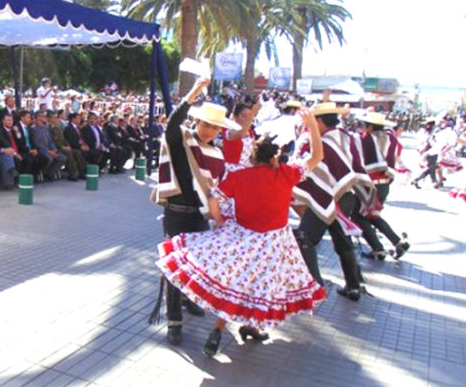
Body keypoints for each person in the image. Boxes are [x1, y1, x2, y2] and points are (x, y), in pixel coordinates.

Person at [157, 110, 327, 358]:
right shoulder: (286, 173)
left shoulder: (240, 176)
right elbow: (317, 156)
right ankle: (245, 327)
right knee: (260, 288)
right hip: (274, 243)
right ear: (275, 157)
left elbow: (215, 198)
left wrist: (220, 219)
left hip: (243, 239)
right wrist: (312, 125)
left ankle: (223, 329)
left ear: (253, 156)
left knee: (235, 284)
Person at [148, 78, 237, 346]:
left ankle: (189, 300)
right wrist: (193, 93)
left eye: (215, 126)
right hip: (176, 213)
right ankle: (174, 322)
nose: (210, 130)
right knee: (174, 269)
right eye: (206, 124)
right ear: (197, 122)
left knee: (197, 266)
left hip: (200, 216)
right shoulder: (183, 141)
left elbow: (218, 190)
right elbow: (173, 125)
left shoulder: (218, 154)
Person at [292, 102, 371, 302]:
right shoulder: (346, 136)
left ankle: (315, 285)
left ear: (318, 120)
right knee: (343, 242)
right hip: (345, 194)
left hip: (327, 197)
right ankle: (353, 286)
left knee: (304, 237)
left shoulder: (319, 141)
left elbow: (307, 166)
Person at [353, 112, 409, 260]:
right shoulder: (391, 139)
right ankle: (397, 242)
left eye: (364, 125)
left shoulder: (364, 139)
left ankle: (378, 248)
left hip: (369, 184)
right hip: (384, 184)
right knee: (372, 215)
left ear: (370, 126)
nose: (363, 128)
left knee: (358, 216)